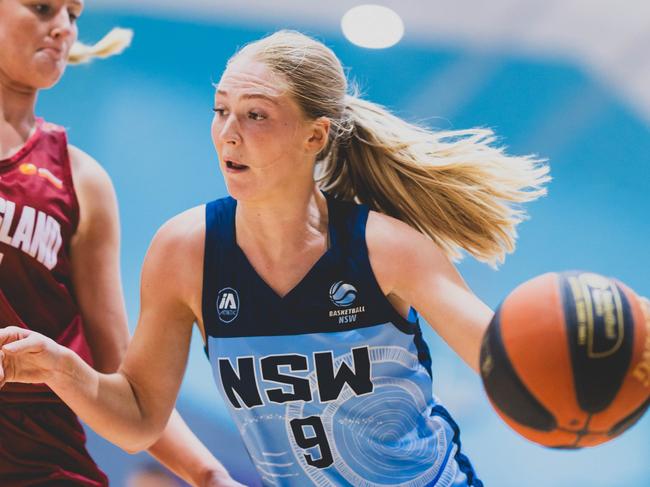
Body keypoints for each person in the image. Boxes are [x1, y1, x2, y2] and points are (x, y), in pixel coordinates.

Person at [0, 28, 579, 485]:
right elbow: (139, 421)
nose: (228, 133)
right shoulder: (186, 251)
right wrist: (64, 371)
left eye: (255, 114)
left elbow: (505, 360)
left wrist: (587, 353)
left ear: (315, 136)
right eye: (220, 109)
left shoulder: (383, 247)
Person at [0, 1, 243, 486]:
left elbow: (125, 385)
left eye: (74, 15)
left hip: (44, 464)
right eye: (44, 7)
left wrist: (211, 476)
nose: (63, 28)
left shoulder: (81, 179)